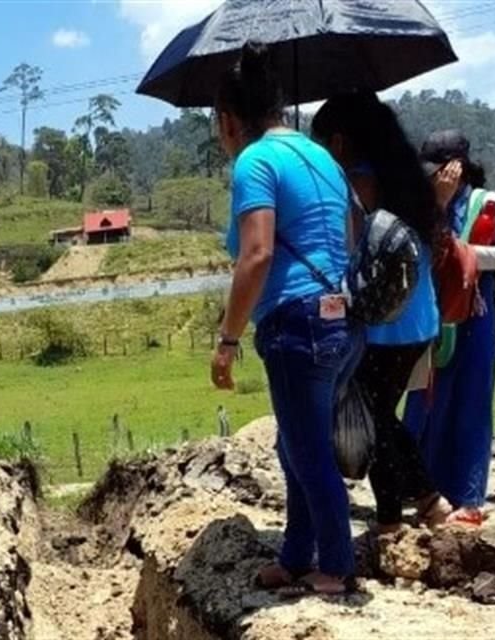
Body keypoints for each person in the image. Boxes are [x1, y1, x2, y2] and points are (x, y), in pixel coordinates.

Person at [209, 42, 361, 596]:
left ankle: (338, 566)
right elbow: (348, 238)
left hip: (295, 323)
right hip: (340, 319)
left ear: (228, 121)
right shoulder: (322, 158)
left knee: (308, 450)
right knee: (296, 444)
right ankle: (297, 555)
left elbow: (256, 255)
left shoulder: (254, 162)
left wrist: (227, 340)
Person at [310, 93, 452, 534]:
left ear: (338, 140)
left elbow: (353, 247)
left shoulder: (359, 183)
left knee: (373, 420)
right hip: (417, 316)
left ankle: (398, 516)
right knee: (382, 414)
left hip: (382, 320)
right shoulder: (406, 179)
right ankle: (425, 503)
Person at [404, 130, 495, 526]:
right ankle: (431, 494)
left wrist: (468, 254)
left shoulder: (486, 204)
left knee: (472, 404)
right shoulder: (426, 205)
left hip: (476, 317)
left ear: (456, 167)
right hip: (434, 318)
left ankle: (470, 499)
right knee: (428, 403)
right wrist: (437, 206)